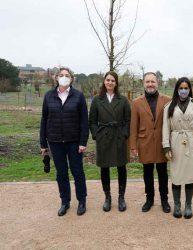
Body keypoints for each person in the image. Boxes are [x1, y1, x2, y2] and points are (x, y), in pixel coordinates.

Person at [39, 67, 89, 216]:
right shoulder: (48, 96)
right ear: (56, 78)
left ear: (72, 79)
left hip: (74, 141)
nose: (64, 77)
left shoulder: (78, 96)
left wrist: (83, 142)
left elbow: (84, 122)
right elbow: (44, 120)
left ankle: (81, 201)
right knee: (61, 173)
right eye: (61, 75)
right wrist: (43, 143)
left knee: (77, 172)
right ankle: (65, 201)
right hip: (54, 141)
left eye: (67, 75)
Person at [162, 77, 193, 219]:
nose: (183, 91)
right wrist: (166, 147)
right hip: (175, 143)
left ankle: (188, 205)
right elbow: (165, 128)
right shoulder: (169, 106)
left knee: (189, 175)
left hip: (191, 143)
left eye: (186, 88)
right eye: (181, 88)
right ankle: (177, 205)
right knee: (176, 175)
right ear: (177, 89)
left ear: (190, 89)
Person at [89, 71, 131, 212]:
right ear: (104, 81)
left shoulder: (123, 100)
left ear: (116, 83)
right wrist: (97, 135)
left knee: (121, 167)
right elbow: (92, 121)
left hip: (119, 136)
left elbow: (128, 120)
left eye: (113, 80)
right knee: (104, 168)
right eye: (108, 80)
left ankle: (121, 197)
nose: (110, 82)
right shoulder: (97, 100)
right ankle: (107, 197)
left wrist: (124, 134)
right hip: (104, 137)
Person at [130, 72, 171, 213]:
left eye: (152, 81)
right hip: (145, 142)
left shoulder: (167, 100)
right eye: (147, 82)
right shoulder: (136, 102)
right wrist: (133, 145)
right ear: (143, 83)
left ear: (157, 83)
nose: (150, 84)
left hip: (162, 143)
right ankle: (149, 199)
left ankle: (164, 200)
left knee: (162, 173)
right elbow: (133, 125)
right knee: (147, 173)